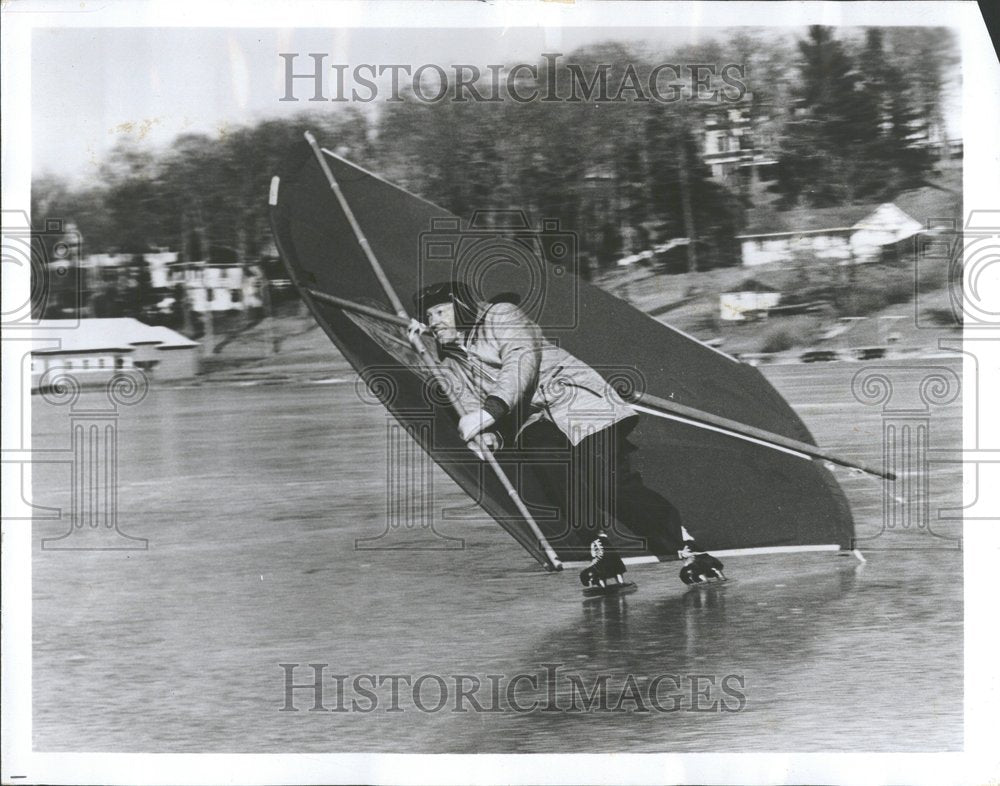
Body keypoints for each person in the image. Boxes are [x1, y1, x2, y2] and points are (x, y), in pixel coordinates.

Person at [411, 280, 725, 586]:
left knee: (609, 485)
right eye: (428, 317)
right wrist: (486, 433)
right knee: (559, 481)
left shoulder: (500, 315)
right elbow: (464, 400)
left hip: (577, 400)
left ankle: (688, 548)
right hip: (532, 420)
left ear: (462, 306)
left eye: (440, 312)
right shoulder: (450, 360)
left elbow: (521, 363)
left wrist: (489, 412)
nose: (433, 321)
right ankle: (601, 552)